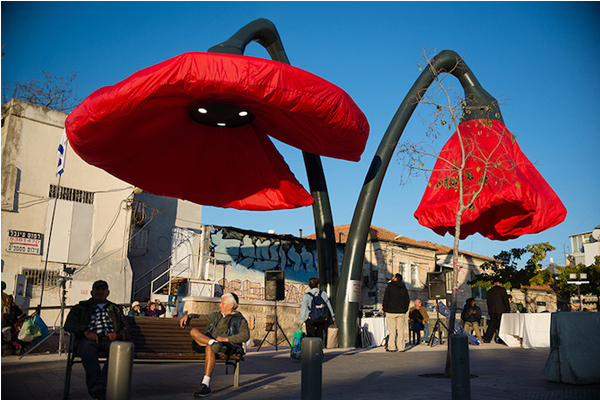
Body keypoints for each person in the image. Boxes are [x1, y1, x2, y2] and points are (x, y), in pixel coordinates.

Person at [64, 280, 131, 400]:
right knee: (87, 349)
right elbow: (69, 324)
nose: (100, 292)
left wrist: (118, 335)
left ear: (108, 292)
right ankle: (98, 386)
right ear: (92, 292)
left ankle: (100, 385)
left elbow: (127, 329)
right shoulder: (80, 308)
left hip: (110, 340)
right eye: (97, 289)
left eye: (103, 289)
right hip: (89, 339)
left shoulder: (115, 309)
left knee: (119, 351)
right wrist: (85, 331)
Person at [180, 293, 249, 398]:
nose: (220, 305)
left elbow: (245, 335)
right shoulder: (217, 315)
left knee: (210, 348)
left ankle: (205, 384)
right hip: (209, 342)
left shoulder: (239, 319)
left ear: (231, 305)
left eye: (223, 303)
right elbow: (200, 316)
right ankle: (212, 342)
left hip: (226, 345)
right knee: (193, 331)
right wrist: (188, 315)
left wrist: (227, 339)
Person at [299, 277, 335, 342]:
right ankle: (319, 350)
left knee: (311, 336)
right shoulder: (323, 293)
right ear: (318, 285)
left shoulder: (307, 295)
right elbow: (329, 305)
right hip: (321, 318)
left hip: (311, 319)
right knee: (320, 335)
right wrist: (333, 316)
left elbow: (304, 309)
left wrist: (301, 320)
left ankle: (312, 350)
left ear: (309, 285)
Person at [382, 273, 410, 352]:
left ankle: (392, 347)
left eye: (393, 276)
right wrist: (405, 309)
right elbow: (407, 299)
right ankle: (401, 347)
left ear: (395, 278)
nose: (392, 277)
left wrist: (385, 309)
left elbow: (386, 298)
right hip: (401, 312)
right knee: (400, 330)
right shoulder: (404, 287)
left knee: (392, 330)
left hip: (391, 311)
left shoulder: (390, 286)